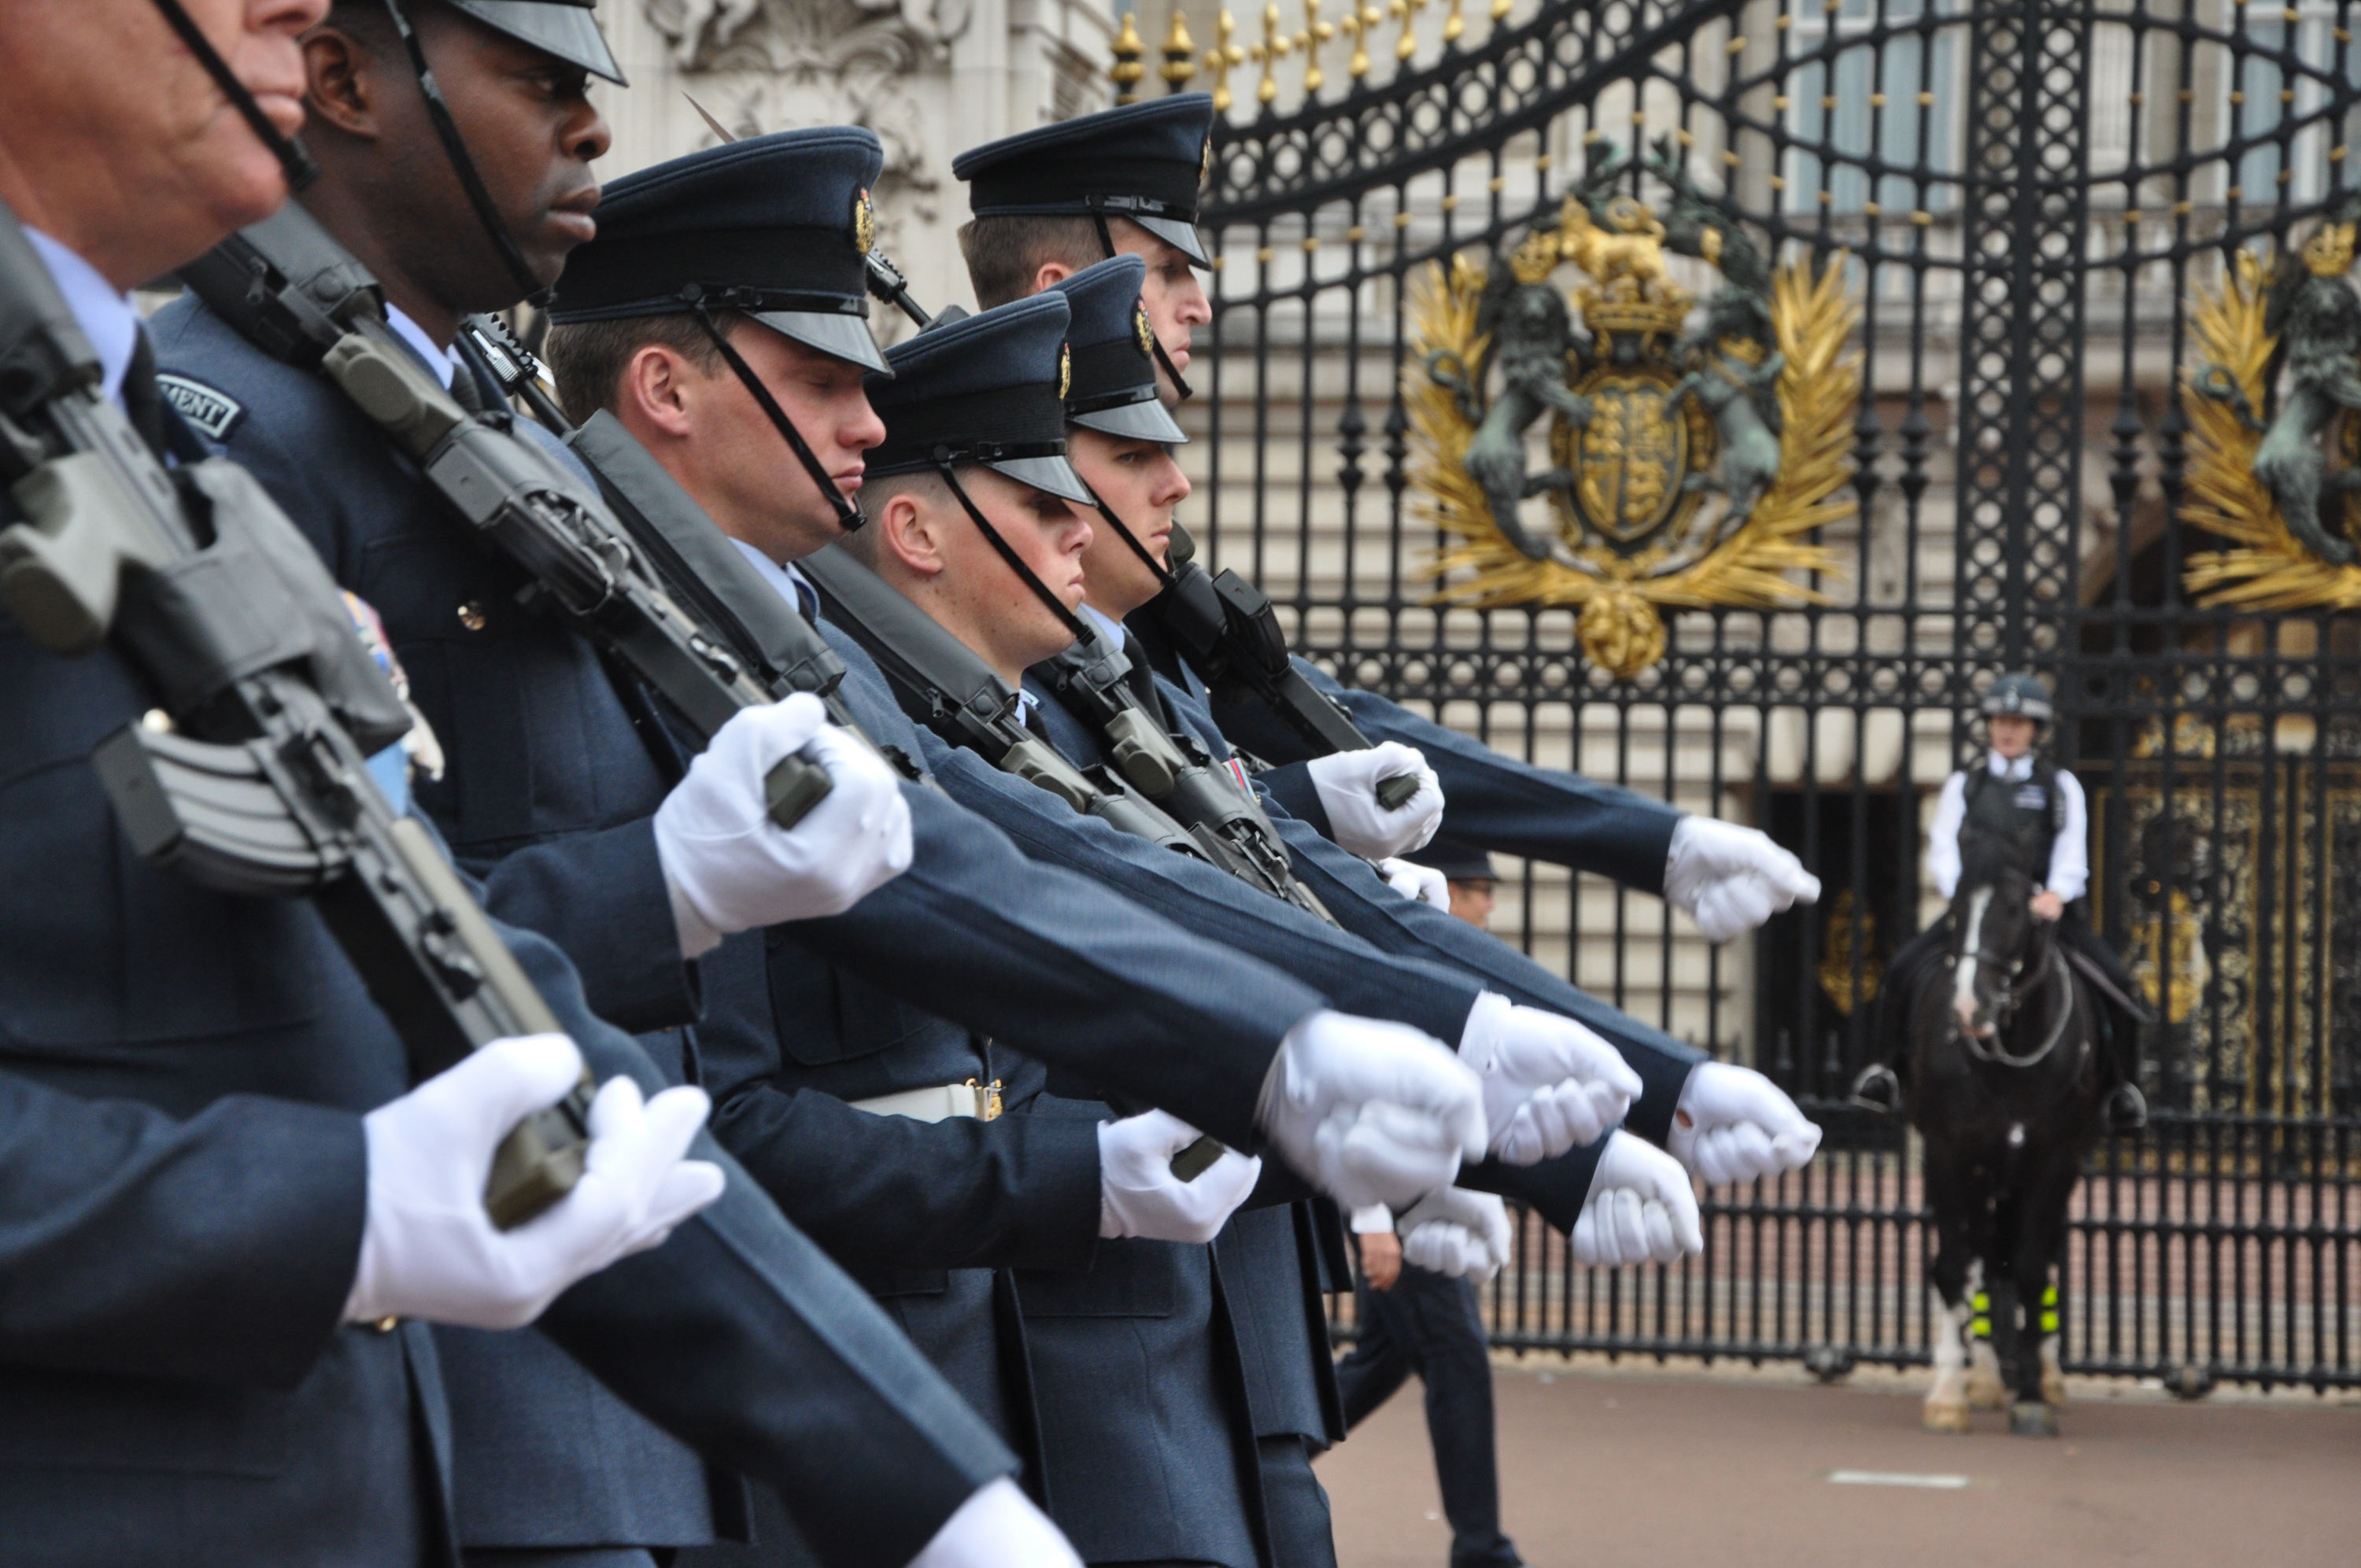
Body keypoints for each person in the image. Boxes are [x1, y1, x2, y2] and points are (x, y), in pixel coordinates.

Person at [0, 5, 1056, 1566]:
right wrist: (329, 1206)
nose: (298, 6)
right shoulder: (230, 416)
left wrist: (931, 1492)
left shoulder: (131, 419)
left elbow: (471, 982)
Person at [540, 187, 1656, 1568]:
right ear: (923, 535)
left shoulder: (842, 658)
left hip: (1066, 1359)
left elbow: (1119, 886)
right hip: (896, 1379)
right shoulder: (688, 638)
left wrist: (1434, 1080)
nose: (865, 423)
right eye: (822, 383)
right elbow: (740, 1095)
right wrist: (1088, 1168)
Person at [951, 91, 1824, 952]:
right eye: (1170, 270)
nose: (1200, 304)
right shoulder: (959, 519)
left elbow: (1294, 712)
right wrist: (1303, 811)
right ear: (1061, 292)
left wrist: (1652, 841)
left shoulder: (1112, 521)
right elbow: (1058, 825)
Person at [1335, 844, 1526, 1568]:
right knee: (1460, 1364)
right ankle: (1482, 1548)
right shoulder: (1403, 969)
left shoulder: (1448, 969)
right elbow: (1361, 1102)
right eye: (1479, 890)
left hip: (1429, 1200)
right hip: (1405, 1206)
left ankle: (1258, 1455)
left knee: (1377, 1364)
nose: (1487, 906)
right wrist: (1375, 1220)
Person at [1849, 671, 2150, 1132]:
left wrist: (2056, 893)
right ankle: (1886, 1072)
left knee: (2120, 986)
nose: (2007, 730)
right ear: (1989, 726)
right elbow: (1944, 850)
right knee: (1900, 973)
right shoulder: (1964, 786)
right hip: (1978, 914)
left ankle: (2119, 1090)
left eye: (2019, 722)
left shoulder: (2059, 786)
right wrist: (1967, 897)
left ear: (2035, 730)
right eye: (2000, 721)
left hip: (2041, 913)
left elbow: (2072, 851)